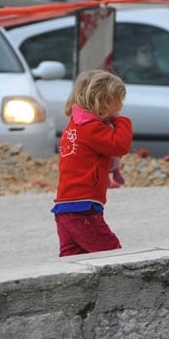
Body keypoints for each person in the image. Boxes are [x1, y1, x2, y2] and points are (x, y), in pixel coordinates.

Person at [51, 69, 133, 256]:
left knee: (73, 259)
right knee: (112, 254)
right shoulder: (91, 128)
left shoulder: (75, 126)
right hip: (83, 209)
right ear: (102, 103)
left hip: (65, 208)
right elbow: (119, 145)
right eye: (118, 101)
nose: (120, 107)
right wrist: (122, 122)